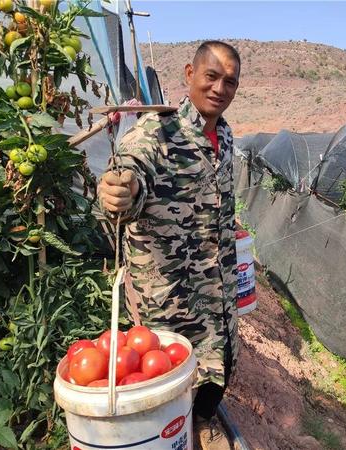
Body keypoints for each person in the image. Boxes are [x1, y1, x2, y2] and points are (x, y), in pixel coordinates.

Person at [98, 41, 241, 450]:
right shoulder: (156, 134)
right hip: (169, 292)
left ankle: (202, 421)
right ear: (189, 74)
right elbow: (129, 172)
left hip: (217, 283)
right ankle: (167, 434)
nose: (219, 88)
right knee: (164, 374)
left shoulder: (225, 138)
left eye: (229, 82)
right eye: (211, 77)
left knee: (220, 361)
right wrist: (118, 189)